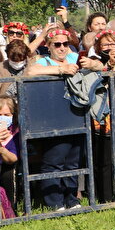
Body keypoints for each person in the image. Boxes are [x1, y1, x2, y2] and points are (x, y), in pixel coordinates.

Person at [27, 29, 82, 211]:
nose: (61, 48)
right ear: (48, 46)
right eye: (57, 44)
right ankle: (54, 201)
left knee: (73, 161)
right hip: (52, 117)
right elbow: (30, 72)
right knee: (54, 160)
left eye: (65, 44)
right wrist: (60, 69)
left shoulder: (74, 57)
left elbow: (94, 65)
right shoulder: (43, 61)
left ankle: (71, 198)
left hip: (75, 115)